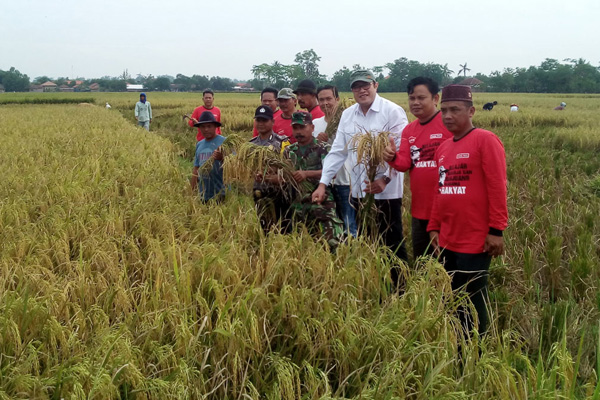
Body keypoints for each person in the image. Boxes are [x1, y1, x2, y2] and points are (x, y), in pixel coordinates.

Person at [427, 84, 508, 336]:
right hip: (448, 237)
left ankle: (478, 351)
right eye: (444, 110)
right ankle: (457, 344)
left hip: (475, 238)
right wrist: (433, 226)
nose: (448, 116)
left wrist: (496, 230)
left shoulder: (485, 140)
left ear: (471, 110)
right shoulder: (443, 148)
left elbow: (497, 187)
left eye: (455, 110)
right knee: (451, 295)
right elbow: (440, 190)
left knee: (473, 299)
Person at [312, 69, 409, 272]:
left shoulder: (392, 111)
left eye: (366, 86)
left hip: (386, 194)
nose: (361, 90)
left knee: (391, 243)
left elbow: (400, 152)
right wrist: (323, 183)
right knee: (367, 240)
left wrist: (385, 179)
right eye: (357, 87)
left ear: (375, 85)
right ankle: (374, 281)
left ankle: (399, 287)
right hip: (358, 192)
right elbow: (338, 151)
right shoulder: (348, 115)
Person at [382, 77, 453, 259]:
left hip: (446, 210)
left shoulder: (449, 125)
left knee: (447, 264)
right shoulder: (409, 130)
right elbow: (405, 164)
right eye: (412, 98)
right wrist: (392, 157)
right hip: (420, 210)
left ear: (435, 99)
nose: (415, 103)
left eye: (421, 98)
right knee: (423, 261)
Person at [283, 111, 343, 251]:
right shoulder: (288, 151)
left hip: (321, 202)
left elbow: (332, 173)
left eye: (302, 127)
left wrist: (307, 174)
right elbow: (284, 175)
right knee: (302, 246)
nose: (299, 132)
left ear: (312, 127)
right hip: (298, 203)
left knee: (333, 242)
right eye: (295, 128)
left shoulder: (324, 148)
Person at [312, 85, 357, 237]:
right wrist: (318, 142)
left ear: (337, 99)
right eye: (321, 99)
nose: (325, 103)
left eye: (329, 99)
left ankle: (352, 252)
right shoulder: (316, 124)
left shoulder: (348, 122)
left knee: (349, 222)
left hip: (345, 181)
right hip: (325, 182)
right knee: (330, 222)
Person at [249, 105, 291, 232]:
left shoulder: (282, 142)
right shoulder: (250, 145)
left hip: (279, 195)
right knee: (264, 228)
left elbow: (288, 171)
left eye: (265, 120)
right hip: (259, 194)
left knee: (282, 229)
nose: (261, 124)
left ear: (272, 122)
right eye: (258, 120)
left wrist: (268, 176)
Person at [190, 111, 227, 202]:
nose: (206, 129)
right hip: (204, 194)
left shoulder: (224, 142)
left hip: (221, 193)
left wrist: (222, 158)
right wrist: (192, 190)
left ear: (215, 127)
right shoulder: (199, 144)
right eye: (203, 127)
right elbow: (196, 168)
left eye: (209, 126)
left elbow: (234, 166)